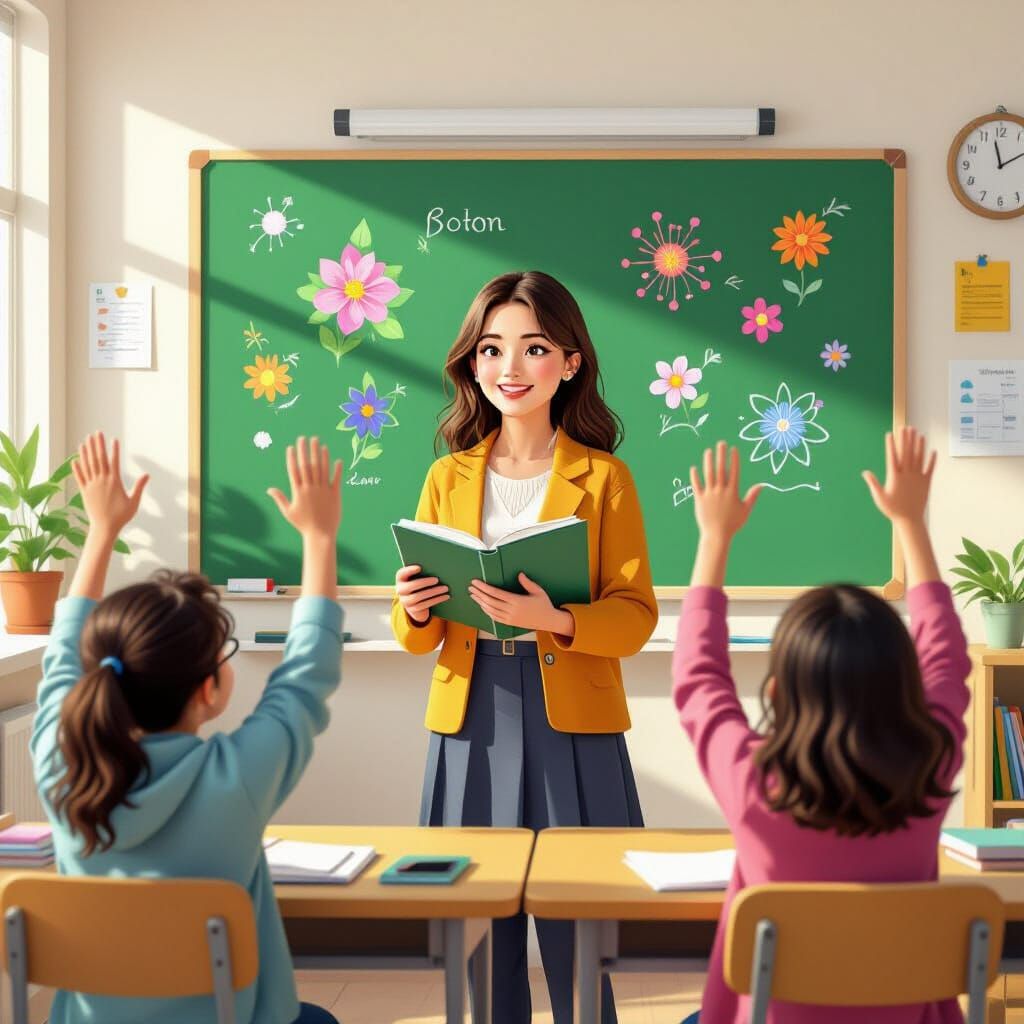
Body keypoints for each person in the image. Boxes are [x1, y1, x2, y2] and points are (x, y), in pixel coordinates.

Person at [391, 271, 658, 1023]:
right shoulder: (447, 476)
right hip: (470, 715)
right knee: (478, 929)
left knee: (579, 930)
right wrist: (413, 609)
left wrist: (558, 619)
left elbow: (634, 617)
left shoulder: (605, 478)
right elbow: (413, 632)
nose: (510, 368)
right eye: (492, 348)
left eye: (534, 348)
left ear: (570, 363)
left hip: (572, 720)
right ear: (472, 364)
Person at [32, 432, 345, 1024]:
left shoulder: (59, 768)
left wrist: (101, 531)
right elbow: (307, 674)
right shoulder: (236, 778)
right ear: (208, 690)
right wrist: (319, 537)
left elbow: (61, 661)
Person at [674, 429, 970, 1024]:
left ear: (779, 693)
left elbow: (697, 678)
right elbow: (947, 655)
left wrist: (714, 539)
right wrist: (910, 521)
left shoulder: (753, 781)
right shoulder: (930, 763)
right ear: (904, 688)